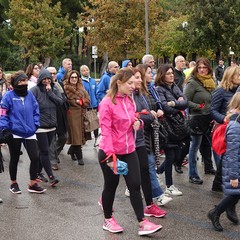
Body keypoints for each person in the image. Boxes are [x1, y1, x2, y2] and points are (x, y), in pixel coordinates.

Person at [98, 68, 162, 236]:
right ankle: (108, 219)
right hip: (110, 152)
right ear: (119, 83)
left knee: (135, 185)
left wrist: (138, 123)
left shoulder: (129, 100)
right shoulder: (106, 103)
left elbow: (134, 119)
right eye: (130, 83)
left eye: (134, 83)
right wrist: (111, 156)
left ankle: (142, 222)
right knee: (110, 187)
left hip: (129, 149)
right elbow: (106, 131)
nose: (134, 86)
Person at [0, 71, 46, 194]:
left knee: (35, 157)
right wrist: (4, 128)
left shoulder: (30, 95)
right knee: (14, 158)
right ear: (15, 83)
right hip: (14, 132)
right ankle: (13, 183)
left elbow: (36, 111)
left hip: (30, 131)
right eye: (21, 81)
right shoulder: (8, 96)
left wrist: (35, 124)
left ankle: (32, 183)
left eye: (25, 81)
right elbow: (3, 114)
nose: (24, 83)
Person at [135, 64, 173, 205]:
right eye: (149, 73)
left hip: (148, 132)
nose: (152, 75)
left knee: (145, 166)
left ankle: (134, 187)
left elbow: (154, 107)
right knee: (149, 164)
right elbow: (135, 114)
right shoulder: (136, 94)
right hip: (139, 135)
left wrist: (157, 111)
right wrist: (150, 115)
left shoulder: (149, 91)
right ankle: (158, 195)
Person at [208, 92, 240, 232]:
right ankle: (215, 212)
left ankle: (217, 211)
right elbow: (232, 154)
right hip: (234, 167)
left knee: (236, 193)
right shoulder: (235, 127)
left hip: (236, 165)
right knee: (234, 193)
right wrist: (233, 176)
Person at [155, 64, 188, 195]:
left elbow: (185, 102)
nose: (171, 75)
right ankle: (169, 185)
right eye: (168, 73)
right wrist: (177, 104)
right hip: (167, 126)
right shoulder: (159, 89)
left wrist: (174, 103)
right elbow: (164, 108)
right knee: (170, 156)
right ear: (162, 75)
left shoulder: (174, 86)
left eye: (172, 73)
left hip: (177, 126)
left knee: (176, 155)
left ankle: (158, 172)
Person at [184, 58, 216, 184]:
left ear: (209, 68)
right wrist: (198, 106)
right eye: (200, 68)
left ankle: (209, 167)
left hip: (209, 117)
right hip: (196, 118)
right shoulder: (193, 82)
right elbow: (185, 101)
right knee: (194, 147)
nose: (202, 70)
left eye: (205, 68)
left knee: (209, 145)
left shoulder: (211, 82)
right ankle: (193, 174)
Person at [31, 69, 63, 186]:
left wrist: (50, 93)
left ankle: (37, 173)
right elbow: (30, 105)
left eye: (48, 79)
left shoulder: (54, 89)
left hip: (52, 125)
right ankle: (51, 177)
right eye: (44, 79)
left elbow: (60, 102)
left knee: (44, 151)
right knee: (44, 151)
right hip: (40, 126)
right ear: (40, 80)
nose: (46, 81)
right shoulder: (35, 90)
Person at [211, 66, 240, 192]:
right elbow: (212, 110)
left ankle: (218, 184)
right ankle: (219, 184)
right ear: (230, 76)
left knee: (227, 158)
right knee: (226, 156)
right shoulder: (221, 91)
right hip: (226, 127)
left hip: (235, 125)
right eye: (238, 74)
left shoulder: (237, 90)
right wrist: (224, 119)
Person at [63, 70, 90, 165]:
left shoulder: (81, 86)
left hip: (82, 113)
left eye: (76, 77)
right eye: (72, 77)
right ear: (69, 78)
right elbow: (71, 102)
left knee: (81, 134)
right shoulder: (66, 88)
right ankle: (80, 157)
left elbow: (87, 99)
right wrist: (80, 102)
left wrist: (82, 102)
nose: (74, 79)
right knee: (76, 135)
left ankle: (71, 150)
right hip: (72, 115)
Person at [47, 67, 68, 171]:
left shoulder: (59, 84)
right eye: (50, 73)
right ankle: (53, 161)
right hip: (50, 116)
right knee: (51, 140)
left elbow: (64, 98)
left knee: (64, 137)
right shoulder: (44, 86)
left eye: (54, 73)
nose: (53, 75)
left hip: (61, 115)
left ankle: (53, 154)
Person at [80, 65, 99, 147]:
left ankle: (96, 139)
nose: (86, 72)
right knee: (86, 124)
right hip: (86, 106)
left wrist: (97, 102)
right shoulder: (81, 82)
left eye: (87, 70)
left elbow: (96, 92)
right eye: (83, 70)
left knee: (95, 123)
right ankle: (84, 139)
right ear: (81, 72)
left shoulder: (93, 81)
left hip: (94, 105)